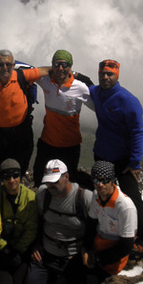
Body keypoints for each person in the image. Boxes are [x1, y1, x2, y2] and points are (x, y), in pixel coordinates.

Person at [87, 59, 143, 252]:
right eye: (102, 73)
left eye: (110, 74)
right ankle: (107, 231)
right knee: (103, 195)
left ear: (117, 75)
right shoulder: (97, 92)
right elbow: (85, 84)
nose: (105, 77)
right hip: (102, 156)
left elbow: (137, 132)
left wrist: (134, 163)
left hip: (123, 160)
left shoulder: (128, 101)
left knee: (132, 197)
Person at [25, 160, 95, 284]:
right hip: (45, 254)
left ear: (67, 177)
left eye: (55, 182)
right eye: (48, 182)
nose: (51, 187)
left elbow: (95, 229)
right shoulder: (43, 194)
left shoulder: (84, 198)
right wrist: (36, 244)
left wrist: (85, 250)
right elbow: (38, 221)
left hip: (71, 257)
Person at [66, 160, 137, 284]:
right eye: (96, 180)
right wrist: (86, 249)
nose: (100, 185)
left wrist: (96, 258)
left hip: (110, 263)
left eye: (105, 180)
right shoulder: (97, 197)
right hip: (95, 252)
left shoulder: (125, 206)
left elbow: (125, 246)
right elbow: (91, 224)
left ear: (113, 180)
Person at [32, 50, 93, 186]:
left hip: (70, 146)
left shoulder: (80, 87)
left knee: (67, 184)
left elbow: (98, 107)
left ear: (70, 67)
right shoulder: (45, 81)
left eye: (65, 65)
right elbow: (29, 70)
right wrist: (1, 67)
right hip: (47, 143)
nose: (61, 69)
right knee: (39, 179)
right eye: (57, 64)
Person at [0, 158, 38, 284]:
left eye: (15, 175)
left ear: (20, 176)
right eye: (7, 176)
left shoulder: (31, 198)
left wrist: (18, 250)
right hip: (1, 252)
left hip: (21, 251)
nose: (12, 180)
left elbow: (31, 229)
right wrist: (4, 247)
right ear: (2, 179)